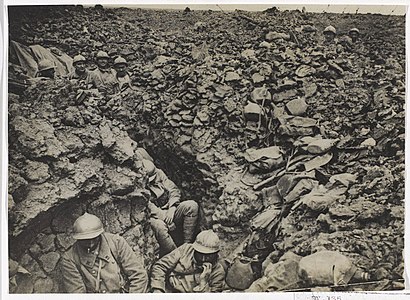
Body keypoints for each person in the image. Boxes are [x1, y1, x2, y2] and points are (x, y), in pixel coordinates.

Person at [60, 213, 148, 293]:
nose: (90, 244)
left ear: (100, 234)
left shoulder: (116, 242)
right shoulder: (69, 258)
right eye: (85, 240)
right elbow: (77, 293)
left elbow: (139, 275)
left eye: (94, 238)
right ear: (78, 239)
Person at [143, 159, 199, 257]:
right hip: (154, 216)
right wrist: (165, 218)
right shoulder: (138, 182)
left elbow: (173, 189)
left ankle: (186, 247)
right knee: (159, 226)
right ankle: (177, 256)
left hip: (169, 210)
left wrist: (172, 207)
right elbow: (147, 205)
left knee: (191, 206)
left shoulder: (158, 173)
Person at [150, 230, 226, 293]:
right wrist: (158, 289)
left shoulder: (218, 272)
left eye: (208, 255)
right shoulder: (185, 250)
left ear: (216, 254)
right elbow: (160, 266)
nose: (203, 259)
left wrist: (203, 283)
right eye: (200, 253)